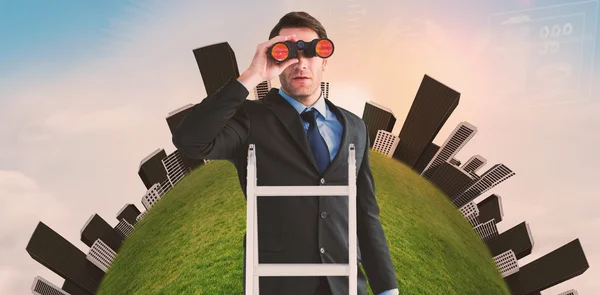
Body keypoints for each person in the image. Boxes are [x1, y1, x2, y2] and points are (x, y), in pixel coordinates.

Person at [172, 11, 398, 295]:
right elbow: (190, 141)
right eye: (288, 53)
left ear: (324, 59)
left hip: (345, 284)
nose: (301, 63)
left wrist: (387, 289)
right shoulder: (250, 119)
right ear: (274, 59)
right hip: (277, 283)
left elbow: (364, 213)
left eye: (311, 52)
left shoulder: (354, 126)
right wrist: (252, 76)